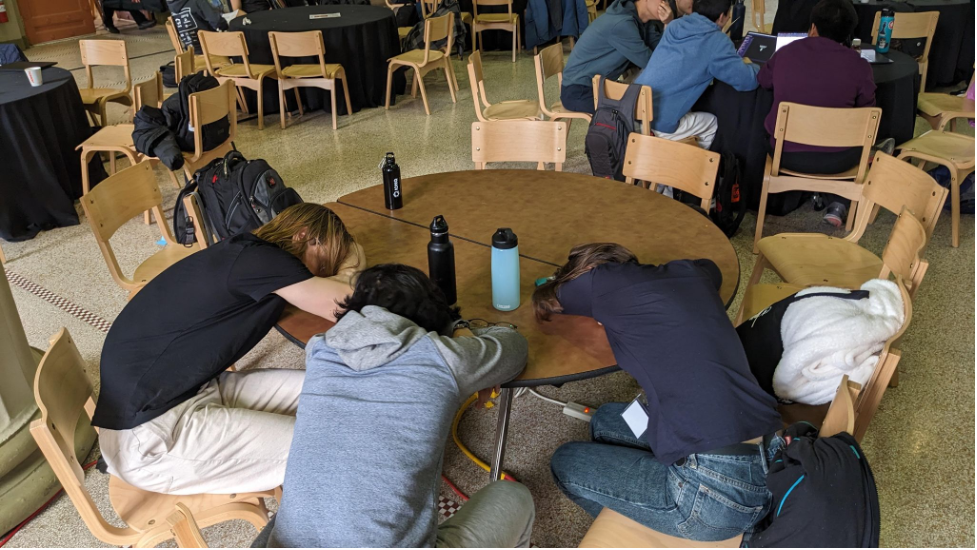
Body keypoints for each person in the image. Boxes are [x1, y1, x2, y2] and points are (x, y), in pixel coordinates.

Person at [93, 204, 366, 496]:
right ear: (302, 235)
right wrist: (352, 260)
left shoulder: (246, 252)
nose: (322, 275)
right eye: (324, 264)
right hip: (149, 434)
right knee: (325, 448)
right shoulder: (264, 261)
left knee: (342, 388)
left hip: (185, 393)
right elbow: (346, 302)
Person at [255, 264, 533, 548]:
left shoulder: (320, 349)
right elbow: (515, 347)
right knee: (514, 497)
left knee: (289, 519)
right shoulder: (442, 355)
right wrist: (461, 331)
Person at [534, 244, 784, 542]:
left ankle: (636, 532)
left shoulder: (599, 281)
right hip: (770, 460)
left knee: (566, 462)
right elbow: (712, 269)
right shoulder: (690, 272)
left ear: (588, 270)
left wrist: (554, 282)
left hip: (713, 495)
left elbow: (553, 297)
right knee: (606, 419)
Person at [758, 0, 876, 227]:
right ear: (848, 34)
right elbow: (867, 110)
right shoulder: (860, 66)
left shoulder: (786, 53)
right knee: (860, 142)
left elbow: (763, 80)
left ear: (812, 27)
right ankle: (839, 203)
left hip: (785, 153)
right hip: (840, 159)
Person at [635, 0, 759, 150]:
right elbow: (747, 80)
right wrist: (756, 67)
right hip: (660, 123)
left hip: (634, 106)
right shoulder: (717, 42)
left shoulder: (675, 25)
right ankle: (696, 162)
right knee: (712, 124)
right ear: (722, 17)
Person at [561, 0, 681, 115]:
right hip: (580, 91)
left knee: (651, 102)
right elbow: (652, 64)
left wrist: (668, 23)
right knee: (643, 109)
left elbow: (663, 54)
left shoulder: (643, 22)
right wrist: (668, 25)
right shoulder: (622, 24)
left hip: (599, 86)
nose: (666, 4)